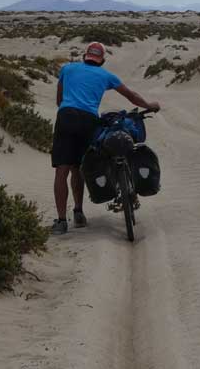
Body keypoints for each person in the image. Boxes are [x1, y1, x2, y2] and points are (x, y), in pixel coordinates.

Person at [50, 41, 160, 234]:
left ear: (85, 56)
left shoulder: (67, 69)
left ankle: (60, 221)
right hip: (88, 120)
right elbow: (131, 96)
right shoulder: (106, 75)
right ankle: (78, 212)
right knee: (78, 168)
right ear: (102, 60)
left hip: (66, 116)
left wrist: (69, 110)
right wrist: (148, 105)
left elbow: (59, 100)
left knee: (62, 170)